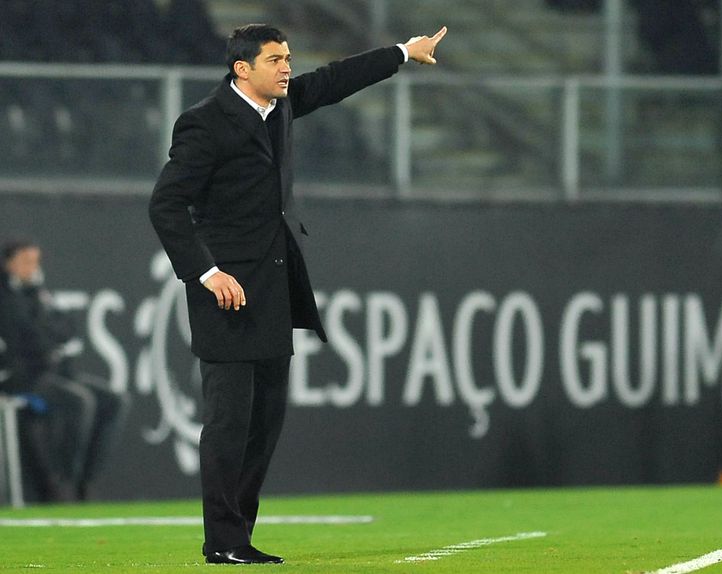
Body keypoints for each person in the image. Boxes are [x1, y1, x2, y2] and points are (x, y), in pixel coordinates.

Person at [149, 23, 447, 564]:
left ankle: (239, 535)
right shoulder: (204, 123)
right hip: (226, 294)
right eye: (275, 60)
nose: (287, 67)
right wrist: (206, 273)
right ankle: (224, 542)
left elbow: (334, 80)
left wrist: (403, 53)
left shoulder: (280, 107)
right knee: (229, 423)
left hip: (273, 287)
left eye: (288, 57)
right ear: (242, 69)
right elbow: (165, 204)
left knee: (264, 423)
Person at [0, 239, 130, 502]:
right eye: (26, 261)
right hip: (22, 377)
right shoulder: (6, 297)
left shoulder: (37, 292)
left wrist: (46, 333)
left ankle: (86, 480)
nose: (32, 267)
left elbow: (67, 327)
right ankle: (61, 482)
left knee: (114, 401)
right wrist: (48, 335)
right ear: (8, 263)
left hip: (53, 374)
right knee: (79, 402)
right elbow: (23, 336)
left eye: (35, 261)